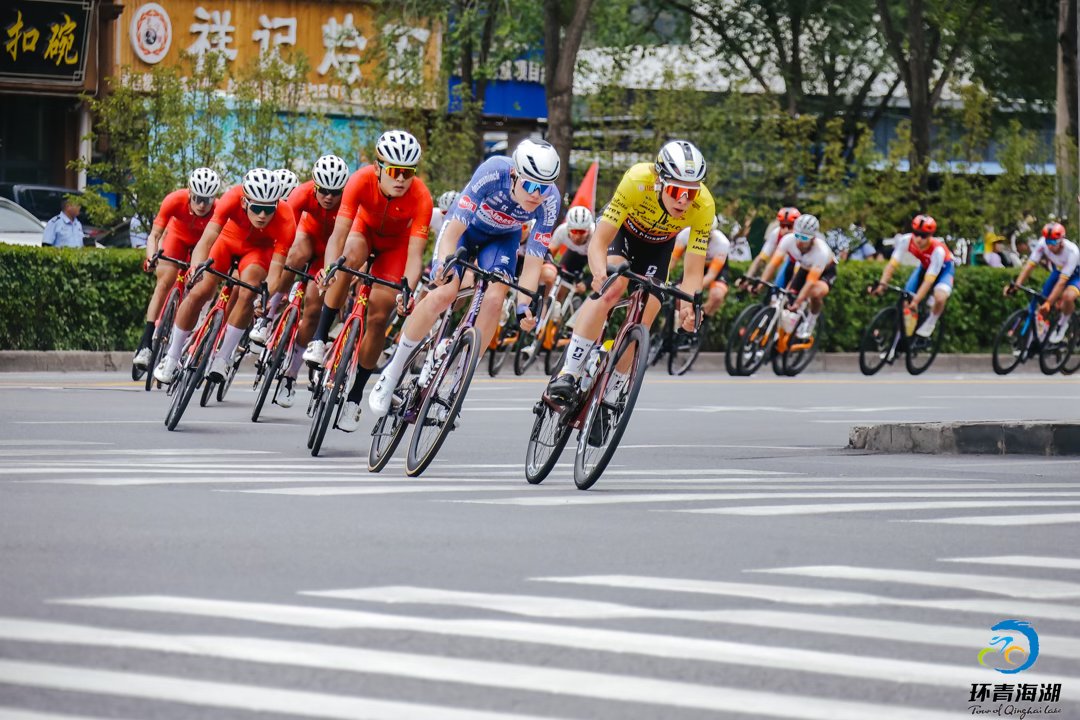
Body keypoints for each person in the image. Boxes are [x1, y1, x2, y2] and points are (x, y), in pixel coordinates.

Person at [368, 138, 561, 417]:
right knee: (446, 291)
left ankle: (457, 386)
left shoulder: (549, 201)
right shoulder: (494, 171)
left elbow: (532, 263)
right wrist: (446, 266)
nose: (536, 195)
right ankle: (393, 370)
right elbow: (453, 231)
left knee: (496, 300)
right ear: (514, 174)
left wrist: (523, 308)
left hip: (503, 239)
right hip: (465, 229)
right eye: (530, 186)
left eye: (543, 189)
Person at [545, 139, 713, 405]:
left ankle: (610, 397)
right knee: (613, 288)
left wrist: (687, 307)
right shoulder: (637, 179)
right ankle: (570, 371)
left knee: (646, 314)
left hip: (659, 246)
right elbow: (598, 242)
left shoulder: (704, 206)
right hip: (622, 231)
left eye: (690, 193)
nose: (683, 200)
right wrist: (600, 273)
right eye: (676, 190)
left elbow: (692, 272)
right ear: (659, 181)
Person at [303, 131, 433, 431]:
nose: (401, 179)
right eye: (394, 171)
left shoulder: (422, 197)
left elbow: (414, 256)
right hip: (364, 232)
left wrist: (406, 290)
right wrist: (328, 270)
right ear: (378, 168)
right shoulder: (360, 181)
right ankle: (321, 339)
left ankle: (354, 398)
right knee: (346, 261)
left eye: (408, 173)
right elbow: (339, 235)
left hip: (395, 247)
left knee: (378, 313)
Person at [153, 168, 297, 384]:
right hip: (227, 242)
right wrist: (196, 268)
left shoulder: (286, 219)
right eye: (257, 208)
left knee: (249, 293)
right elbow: (207, 238)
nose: (262, 216)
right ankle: (172, 356)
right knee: (199, 291)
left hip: (257, 252)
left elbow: (276, 274)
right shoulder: (231, 197)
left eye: (269, 210)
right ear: (244, 202)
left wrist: (264, 297)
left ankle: (223, 358)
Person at [249, 155, 350, 408]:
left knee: (314, 309)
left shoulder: (349, 202)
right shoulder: (302, 194)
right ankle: (267, 316)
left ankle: (290, 376)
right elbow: (283, 228)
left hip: (330, 252)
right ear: (314, 186)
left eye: (334, 192)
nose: (328, 197)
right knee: (295, 254)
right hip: (307, 236)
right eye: (323, 191)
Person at [132, 167, 222, 370]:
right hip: (176, 238)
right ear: (190, 192)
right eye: (197, 198)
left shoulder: (219, 210)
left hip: (201, 246)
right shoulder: (174, 200)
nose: (201, 204)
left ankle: (187, 330)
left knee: (201, 286)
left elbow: (219, 245)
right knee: (165, 281)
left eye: (207, 200)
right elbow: (154, 235)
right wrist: (151, 257)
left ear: (214, 198)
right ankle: (146, 342)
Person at [869, 214, 954, 338]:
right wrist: (882, 284)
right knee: (906, 298)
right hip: (925, 267)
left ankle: (931, 321)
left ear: (930, 236)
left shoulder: (938, 250)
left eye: (924, 235)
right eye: (916, 233)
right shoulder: (906, 240)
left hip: (944, 269)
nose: (919, 238)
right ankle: (904, 336)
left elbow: (929, 280)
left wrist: (916, 300)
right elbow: (891, 266)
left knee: (940, 297)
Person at [756, 213, 835, 339]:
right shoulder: (788, 240)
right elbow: (773, 264)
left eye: (804, 239)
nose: (799, 241)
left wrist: (799, 301)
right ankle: (781, 333)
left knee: (814, 292)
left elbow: (810, 282)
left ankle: (811, 320)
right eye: (797, 236)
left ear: (813, 239)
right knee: (786, 296)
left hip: (825, 272)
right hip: (804, 268)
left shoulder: (821, 251)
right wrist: (761, 282)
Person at [1006, 222, 1079, 344]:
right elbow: (1029, 266)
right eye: (1048, 242)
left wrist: (1049, 303)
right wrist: (1016, 286)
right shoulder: (1042, 243)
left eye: (1053, 242)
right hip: (1058, 271)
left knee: (1067, 296)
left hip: (1077, 274)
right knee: (1041, 304)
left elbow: (1062, 282)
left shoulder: (1072, 251)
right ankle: (1039, 336)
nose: (1050, 246)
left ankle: (1062, 324)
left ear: (1062, 240)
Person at [669, 216, 730, 317]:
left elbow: (711, 275)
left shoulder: (722, 243)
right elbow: (673, 260)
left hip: (713, 269)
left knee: (717, 295)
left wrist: (692, 289)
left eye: (707, 235)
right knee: (680, 298)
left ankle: (703, 317)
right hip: (695, 264)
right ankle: (676, 323)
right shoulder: (685, 234)